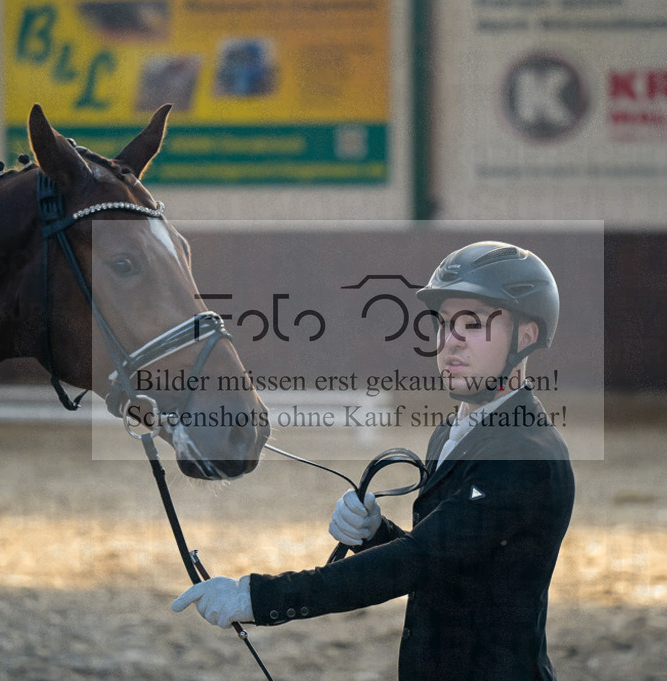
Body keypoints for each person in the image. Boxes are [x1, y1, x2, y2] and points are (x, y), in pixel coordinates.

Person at [172, 241, 575, 681]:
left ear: (527, 336)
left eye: (473, 325)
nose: (450, 343)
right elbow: (452, 566)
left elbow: (417, 561)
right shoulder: (452, 431)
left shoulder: (525, 453)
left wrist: (256, 597)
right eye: (444, 323)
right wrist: (374, 534)